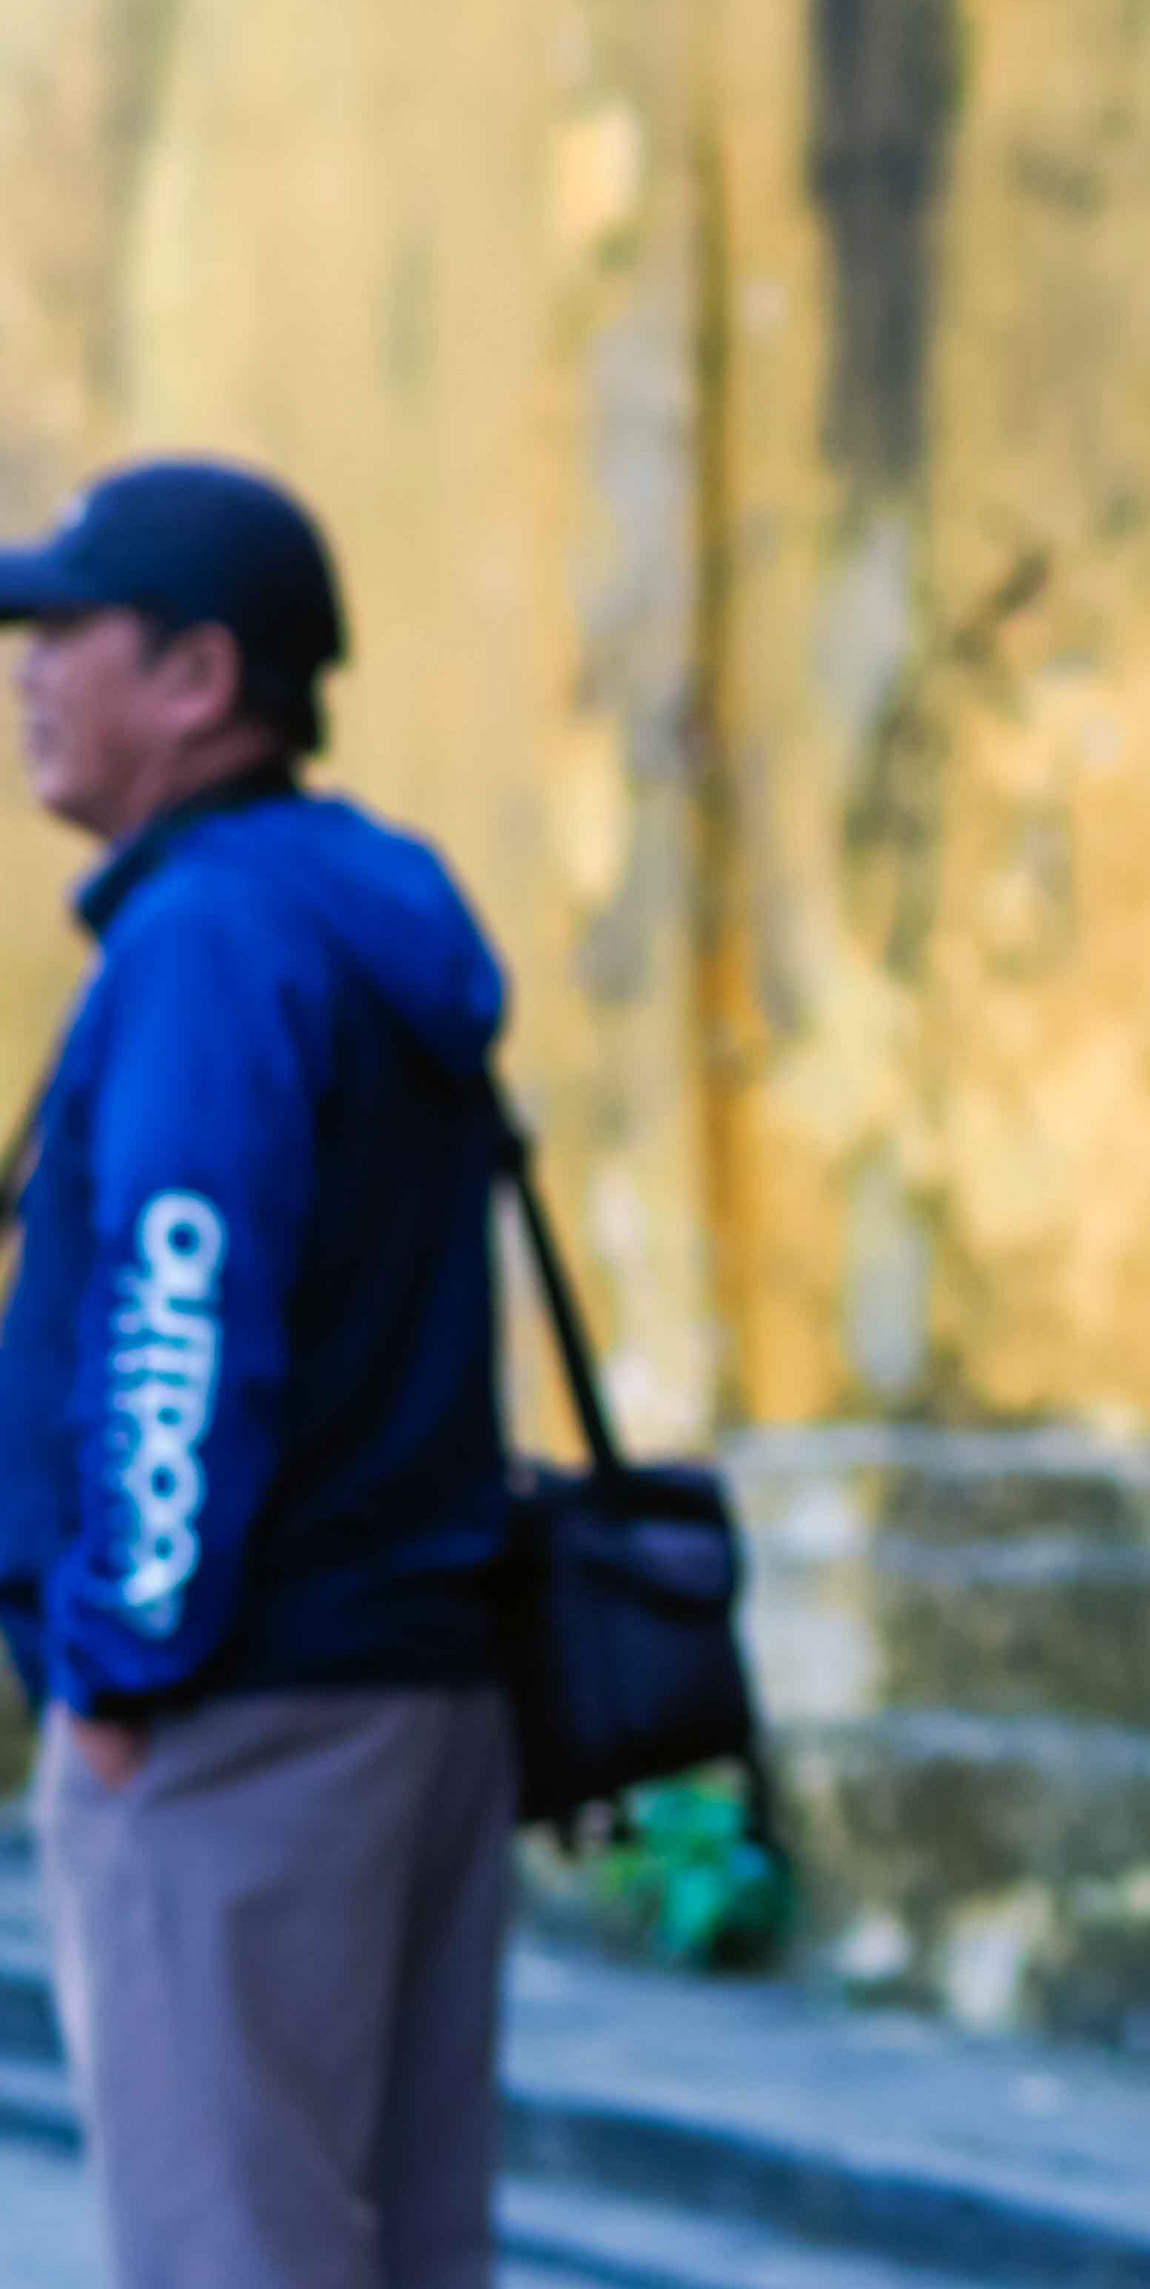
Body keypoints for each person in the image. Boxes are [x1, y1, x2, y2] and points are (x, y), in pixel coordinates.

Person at [0, 461, 518, 2289]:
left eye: (68, 632)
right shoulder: (361, 915)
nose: (28, 674)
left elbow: (180, 1309)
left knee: (231, 2256)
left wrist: (122, 1664)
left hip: (239, 1718)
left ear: (200, 677)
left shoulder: (213, 940)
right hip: (418, 1684)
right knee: (404, 2249)